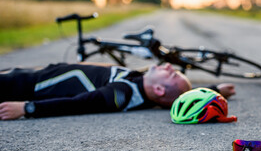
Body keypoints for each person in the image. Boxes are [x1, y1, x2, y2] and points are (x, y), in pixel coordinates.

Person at [0, 62, 235, 120]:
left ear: (159, 90)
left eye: (170, 74)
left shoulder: (121, 94)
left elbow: (80, 104)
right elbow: (182, 97)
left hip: (24, 85)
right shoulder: (143, 86)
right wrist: (212, 90)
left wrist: (27, 108)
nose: (168, 66)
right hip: (36, 74)